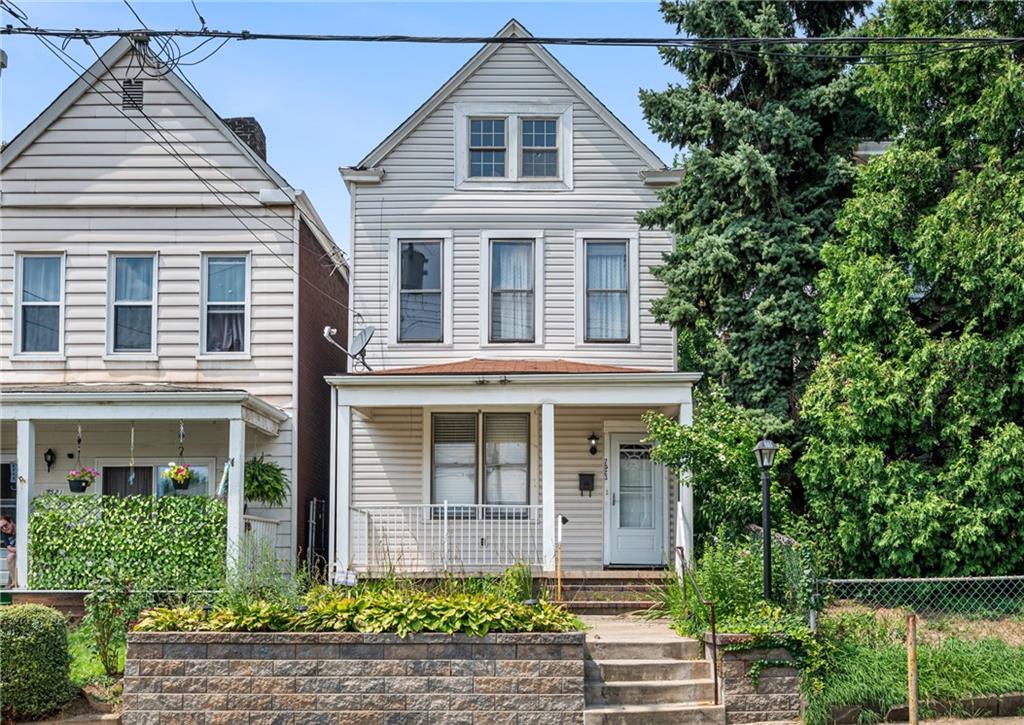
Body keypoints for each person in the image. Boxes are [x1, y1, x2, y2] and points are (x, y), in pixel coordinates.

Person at [0, 514, 16, 589]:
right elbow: (9, 548)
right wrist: (20, 550)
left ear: (11, 522)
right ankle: (14, 581)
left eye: (5, 525)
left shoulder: (20, 528)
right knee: (10, 556)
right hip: (17, 555)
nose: (4, 529)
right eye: (1, 528)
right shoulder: (4, 534)